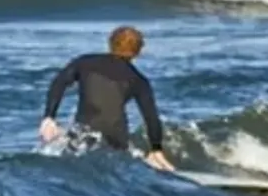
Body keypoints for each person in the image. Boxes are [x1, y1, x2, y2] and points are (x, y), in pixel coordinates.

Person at [39, 24, 175, 172]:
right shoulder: (138, 80)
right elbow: (151, 118)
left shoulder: (85, 62)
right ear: (138, 52)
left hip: (84, 135)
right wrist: (156, 149)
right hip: (116, 141)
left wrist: (49, 117)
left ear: (110, 43)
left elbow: (59, 83)